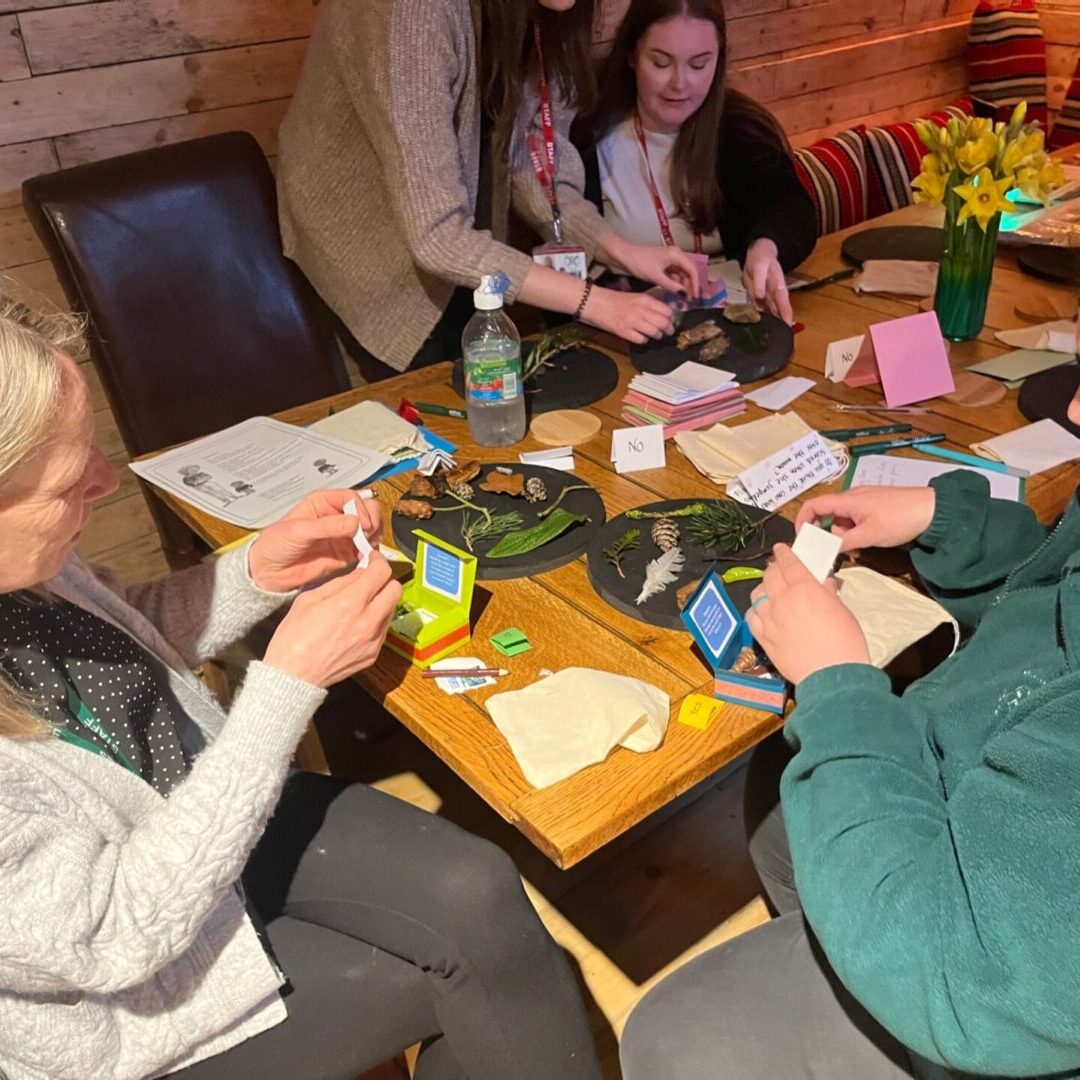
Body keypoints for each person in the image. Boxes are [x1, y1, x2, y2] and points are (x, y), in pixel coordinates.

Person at [0, 297, 603, 1080]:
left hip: (196, 809)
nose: (107, 481)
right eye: (70, 479)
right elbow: (114, 931)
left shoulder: (33, 563)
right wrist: (288, 684)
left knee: (479, 889)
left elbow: (123, 640)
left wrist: (256, 571)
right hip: (122, 1000)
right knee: (462, 977)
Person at [620, 382, 1080, 1077]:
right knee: (779, 792)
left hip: (977, 997)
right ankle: (848, 939)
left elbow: (978, 984)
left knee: (675, 1038)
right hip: (976, 855)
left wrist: (837, 686)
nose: (1072, 409)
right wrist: (950, 522)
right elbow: (1054, 602)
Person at [278, 0, 703, 380]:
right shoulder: (410, 11)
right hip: (366, 249)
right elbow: (436, 236)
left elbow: (534, 156)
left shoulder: (553, 10)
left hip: (457, 244)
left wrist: (622, 251)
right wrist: (596, 302)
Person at [580, 0, 817, 323]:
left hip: (730, 320)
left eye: (699, 64)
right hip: (628, 326)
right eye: (661, 63)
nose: (680, 83)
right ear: (632, 55)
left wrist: (765, 248)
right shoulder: (588, 135)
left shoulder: (738, 127)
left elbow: (791, 210)